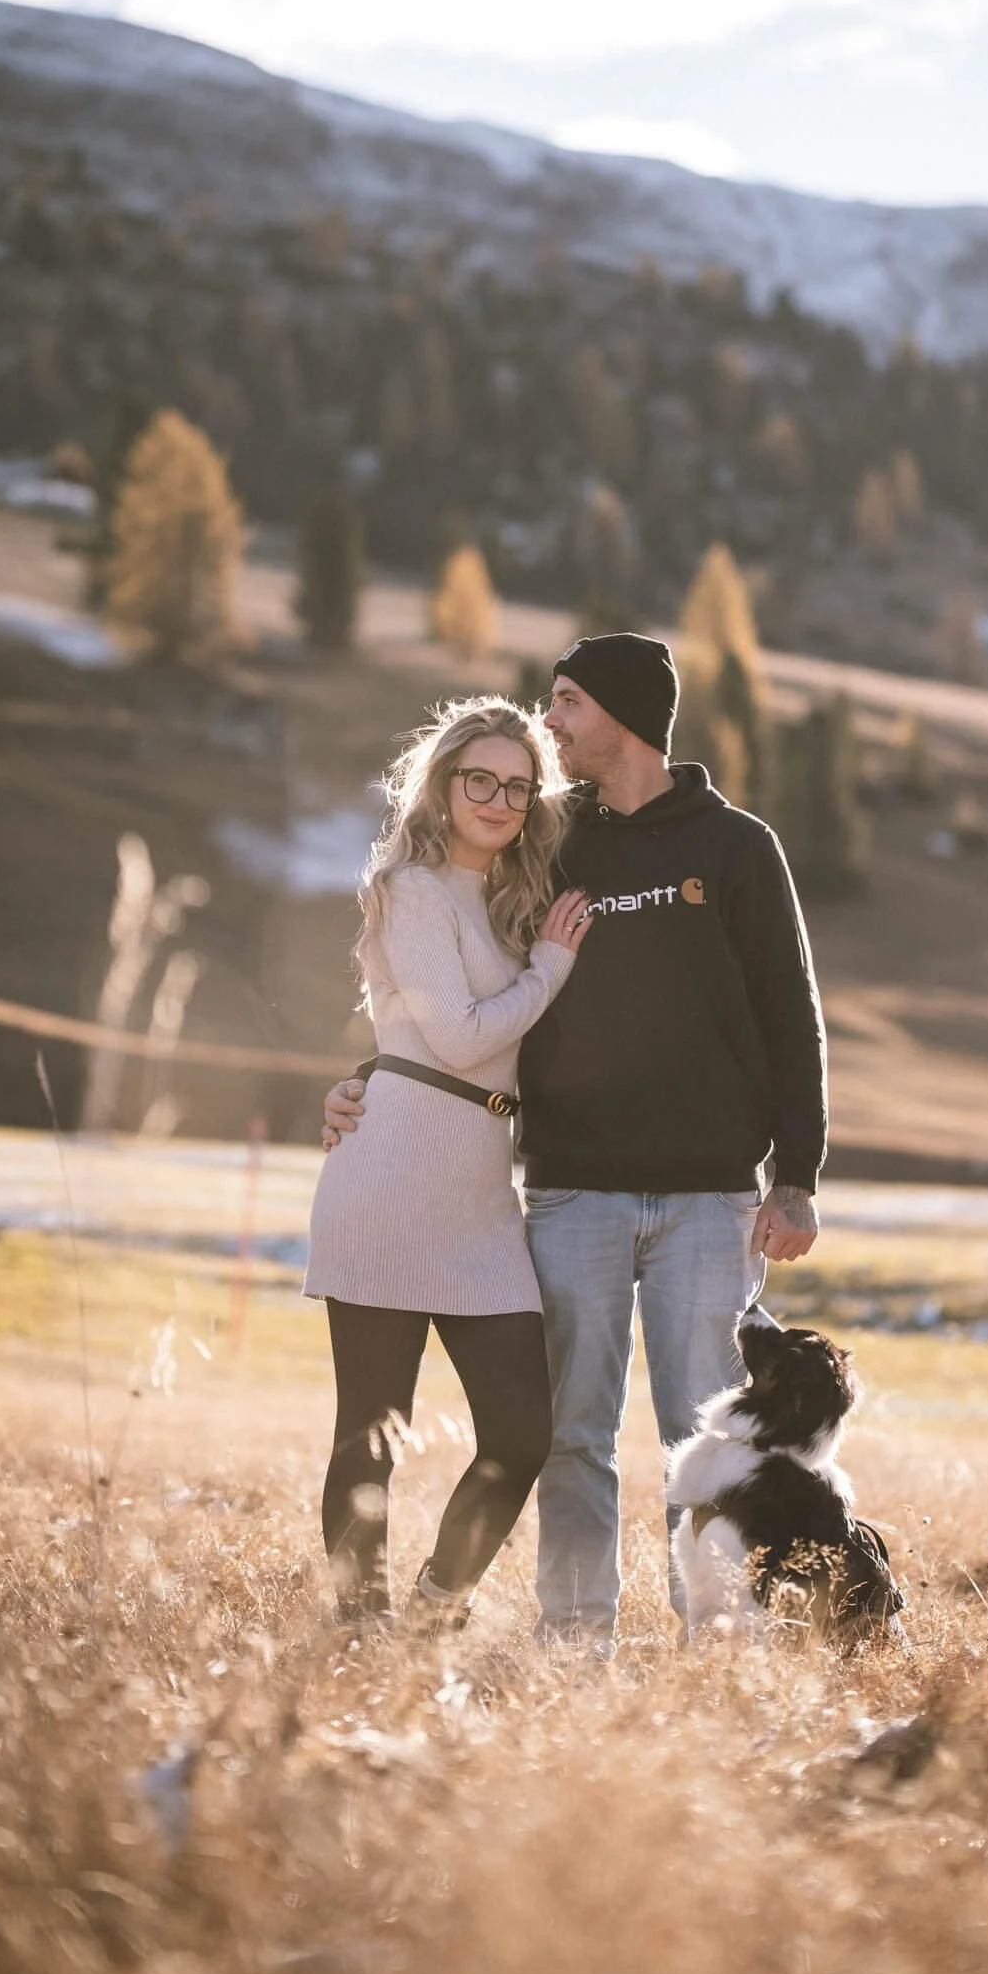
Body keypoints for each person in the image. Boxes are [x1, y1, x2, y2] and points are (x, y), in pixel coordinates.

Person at [325, 632, 826, 1645]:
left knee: (714, 1440)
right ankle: (572, 1641)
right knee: (569, 1440)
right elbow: (437, 967)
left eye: (566, 704)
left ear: (625, 714)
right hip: (566, 1192)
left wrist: (797, 1172)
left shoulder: (734, 847)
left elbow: (791, 1012)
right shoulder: (550, 838)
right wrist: (367, 1074)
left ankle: (716, 1637)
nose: (548, 724)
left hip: (707, 1196)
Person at [305, 695, 592, 1627]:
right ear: (442, 783)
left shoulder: (513, 901)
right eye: (481, 779)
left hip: (477, 1199)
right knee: (371, 1433)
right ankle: (358, 1626)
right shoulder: (411, 888)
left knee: (520, 1431)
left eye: (518, 786)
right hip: (388, 1183)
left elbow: (426, 1041)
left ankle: (437, 1604)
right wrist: (552, 968)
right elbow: (460, 1040)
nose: (499, 799)